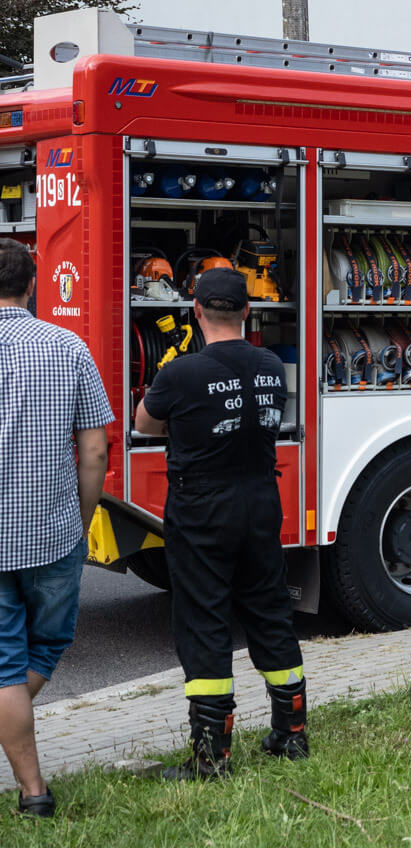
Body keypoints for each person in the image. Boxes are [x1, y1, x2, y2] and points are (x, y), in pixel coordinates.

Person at [134, 268, 306, 780]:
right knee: (271, 612)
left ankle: (211, 757)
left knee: (204, 620)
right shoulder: (271, 365)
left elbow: (144, 424)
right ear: (248, 313)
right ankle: (290, 734)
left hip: (203, 510)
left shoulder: (181, 372)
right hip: (260, 502)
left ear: (196, 312)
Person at [0, 239, 112, 817]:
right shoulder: (68, 347)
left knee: (3, 667)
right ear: (33, 285)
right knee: (47, 643)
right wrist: (84, 515)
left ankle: (32, 786)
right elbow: (95, 449)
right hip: (51, 530)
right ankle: (33, 791)